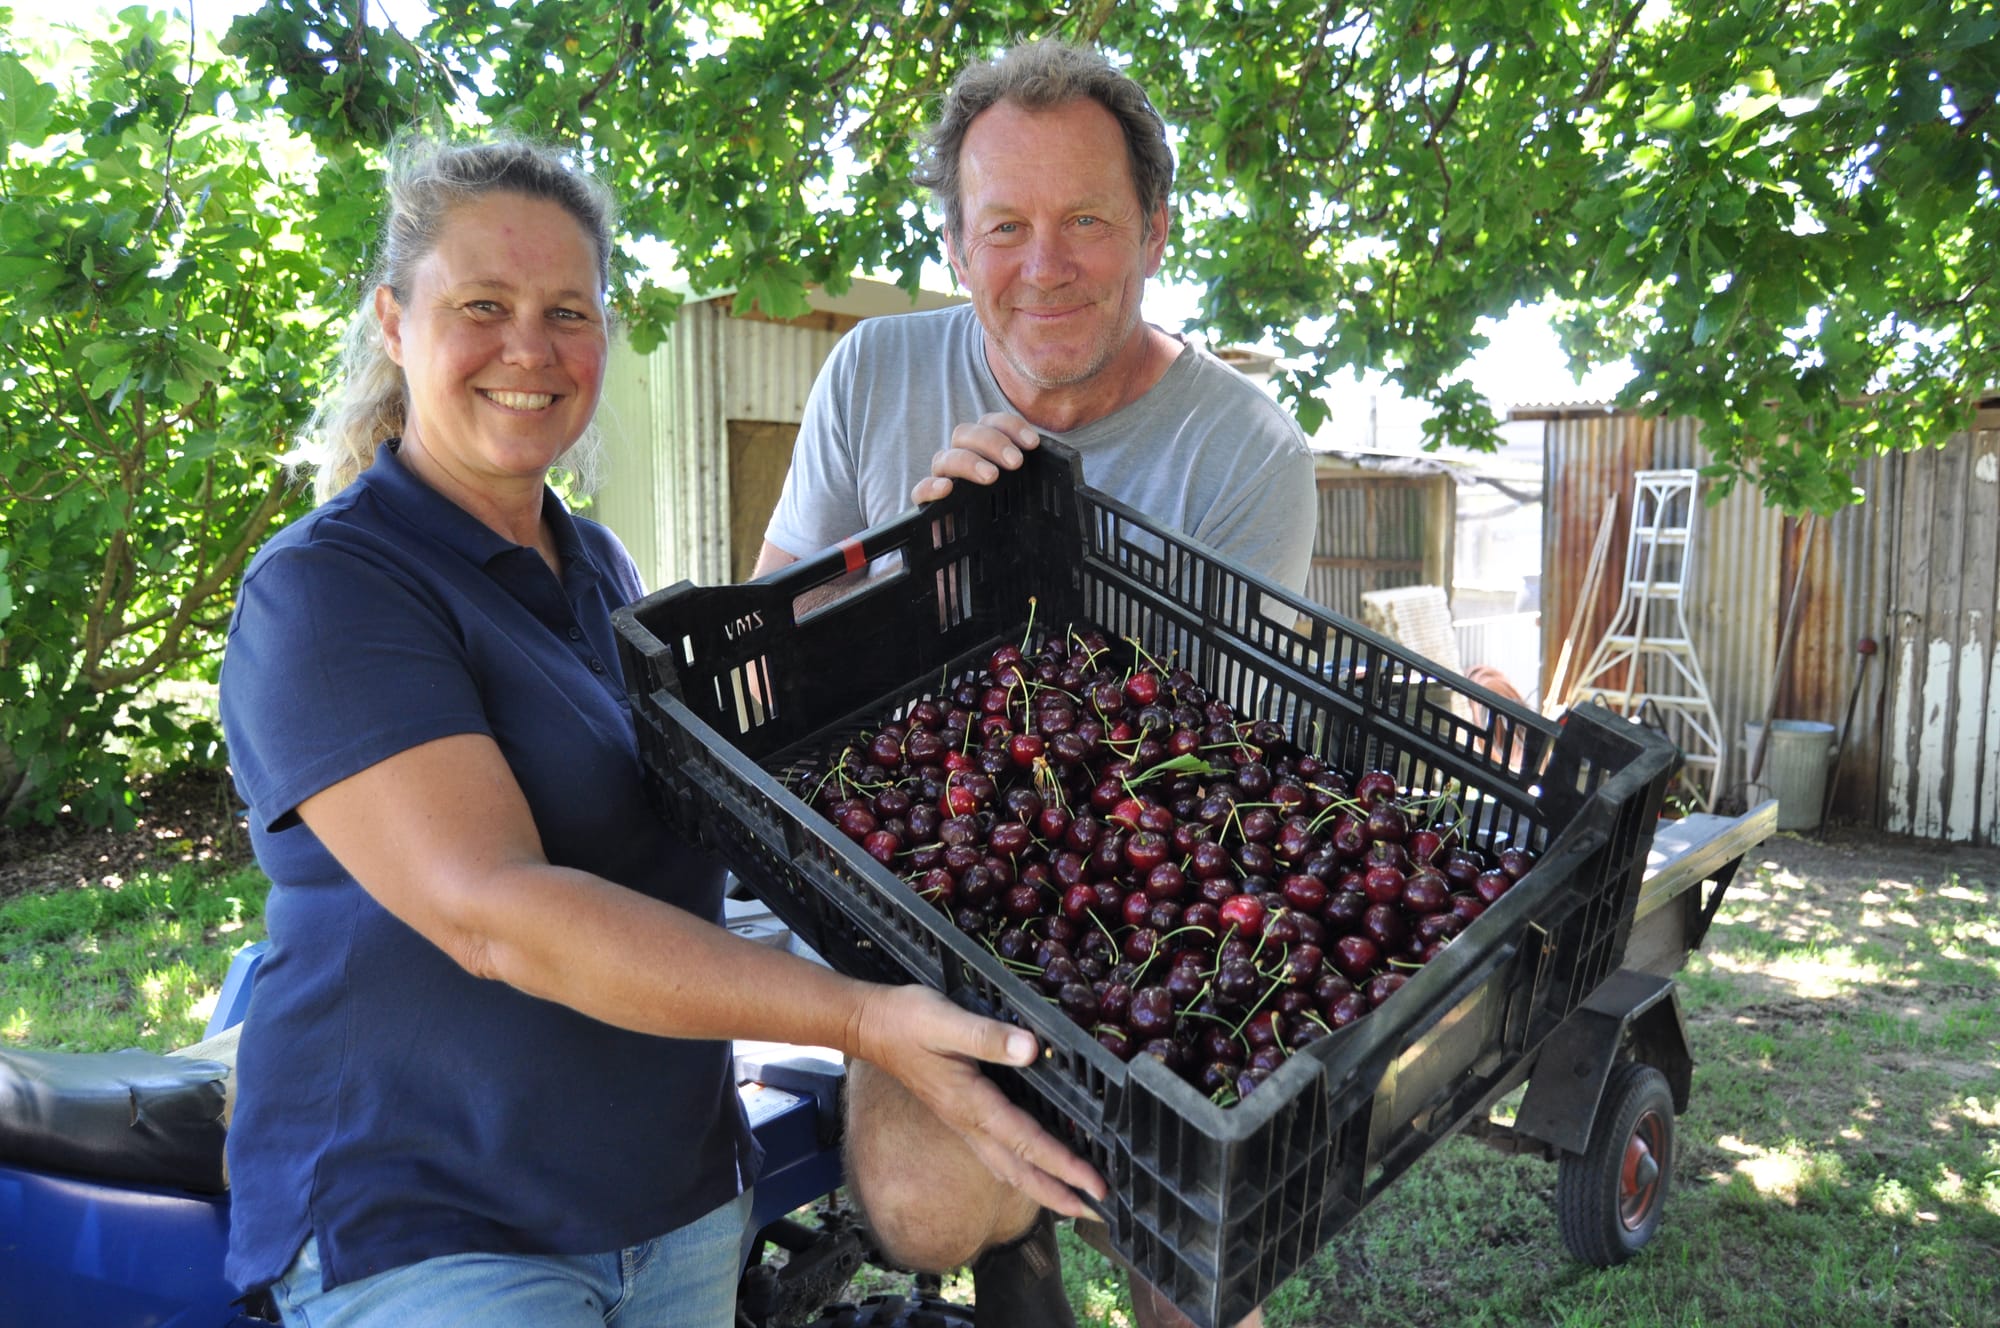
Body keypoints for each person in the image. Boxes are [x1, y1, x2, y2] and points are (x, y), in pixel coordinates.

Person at [216, 131, 1104, 1328]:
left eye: (567, 312)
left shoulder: (596, 569)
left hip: (671, 1198)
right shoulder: (329, 590)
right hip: (439, 1218)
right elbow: (496, 913)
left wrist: (944, 560)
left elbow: (760, 766)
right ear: (394, 319)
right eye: (482, 304)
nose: (529, 349)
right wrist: (860, 1018)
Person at [753, 39, 1318, 1328]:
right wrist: (918, 575)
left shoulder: (1244, 453)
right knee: (919, 1210)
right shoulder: (874, 376)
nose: (1043, 263)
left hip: (1143, 887)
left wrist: (1027, 592)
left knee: (1191, 1257)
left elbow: (1194, 776)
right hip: (924, 900)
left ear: (1153, 233)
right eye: (1003, 224)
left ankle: (1086, 1211)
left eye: (1085, 221)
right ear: (956, 246)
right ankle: (1017, 1238)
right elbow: (772, 639)